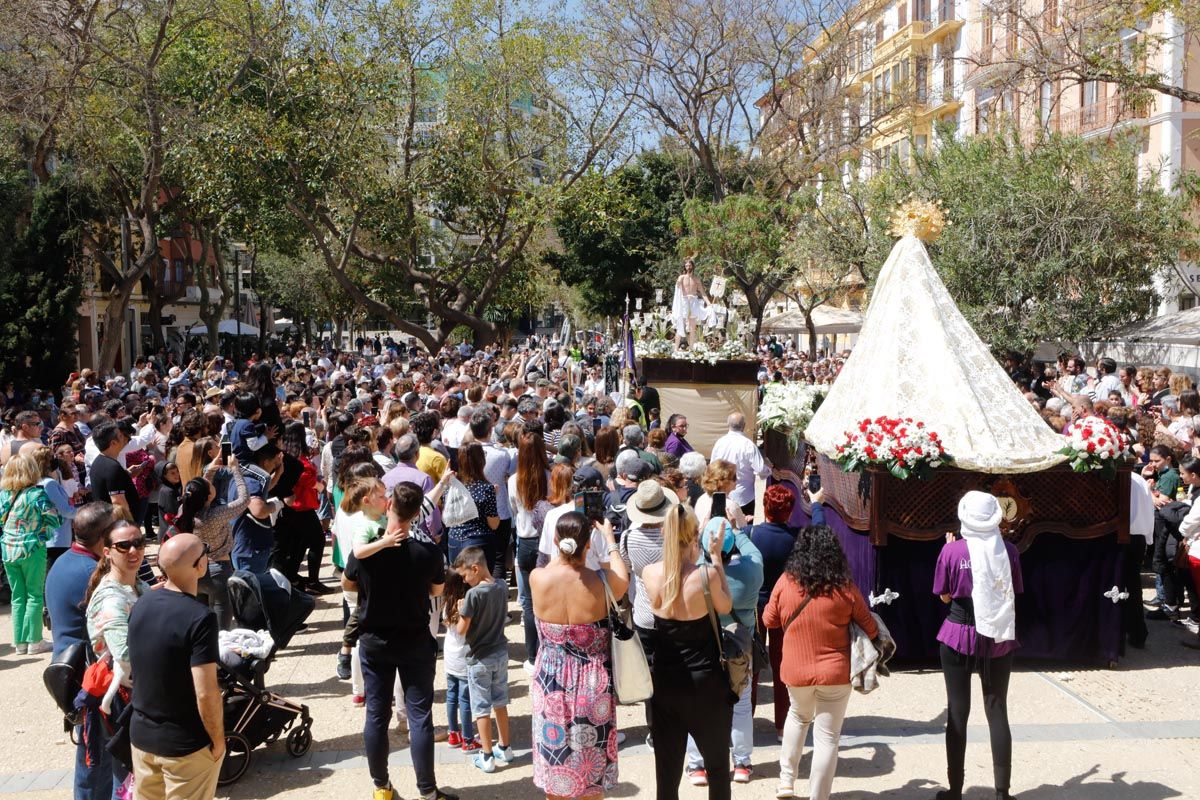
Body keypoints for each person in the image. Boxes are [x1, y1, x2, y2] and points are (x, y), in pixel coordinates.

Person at [342, 482, 457, 800]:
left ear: (389, 504)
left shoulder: (368, 549)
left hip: (375, 639)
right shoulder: (429, 553)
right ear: (417, 513)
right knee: (420, 715)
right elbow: (436, 591)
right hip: (415, 639)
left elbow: (348, 584)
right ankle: (428, 791)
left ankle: (381, 787)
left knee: (377, 714)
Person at [762, 524, 877, 800]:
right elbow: (870, 628)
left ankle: (786, 781)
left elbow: (769, 620)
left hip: (795, 670)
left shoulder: (786, 582)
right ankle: (819, 796)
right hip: (835, 672)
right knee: (828, 737)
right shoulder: (845, 588)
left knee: (797, 717)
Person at [931, 491, 1024, 800]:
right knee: (998, 710)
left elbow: (944, 595)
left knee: (957, 713)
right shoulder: (1008, 551)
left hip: (958, 632)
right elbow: (1014, 592)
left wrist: (949, 553)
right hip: (996, 635)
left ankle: (955, 791)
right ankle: (1002, 793)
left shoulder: (952, 551)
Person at [529, 512, 629, 799]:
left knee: (555, 766)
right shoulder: (602, 582)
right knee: (589, 774)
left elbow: (553, 564)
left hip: (550, 683)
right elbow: (623, 577)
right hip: (591, 683)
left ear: (556, 541)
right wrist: (609, 540)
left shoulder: (538, 578)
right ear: (588, 545)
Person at [641, 504, 734, 800]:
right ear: (694, 536)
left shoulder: (650, 573)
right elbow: (726, 607)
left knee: (666, 775)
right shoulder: (706, 575)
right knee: (718, 768)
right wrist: (716, 557)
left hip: (665, 683)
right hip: (706, 683)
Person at [127, 533, 225, 800]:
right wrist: (218, 740)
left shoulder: (142, 603)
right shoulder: (200, 617)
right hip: (184, 744)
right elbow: (206, 692)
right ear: (200, 566)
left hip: (142, 735)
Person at [46, 502, 124, 799]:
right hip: (91, 677)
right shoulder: (94, 573)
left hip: (71, 670)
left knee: (93, 756)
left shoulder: (64, 561)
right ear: (105, 535)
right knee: (102, 760)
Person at [685, 517, 763, 786]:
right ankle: (742, 763)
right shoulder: (753, 571)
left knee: (699, 707)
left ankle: (696, 766)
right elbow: (753, 552)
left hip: (706, 646)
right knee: (740, 707)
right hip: (740, 647)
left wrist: (704, 535)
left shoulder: (698, 574)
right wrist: (736, 529)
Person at [83, 519, 149, 799]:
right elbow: (125, 656)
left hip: (135, 695)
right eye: (124, 546)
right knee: (130, 785)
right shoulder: (111, 598)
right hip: (125, 699)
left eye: (139, 543)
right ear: (108, 551)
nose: (133, 550)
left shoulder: (138, 585)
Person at [454, 545, 514, 774]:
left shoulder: (473, 595)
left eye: (464, 575)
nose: (464, 580)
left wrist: (460, 611)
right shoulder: (500, 585)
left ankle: (487, 755)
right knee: (500, 702)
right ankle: (505, 747)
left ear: (475, 568)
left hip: (479, 657)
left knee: (481, 707)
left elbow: (461, 630)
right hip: (500, 652)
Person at [173, 458, 249, 630]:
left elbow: (199, 489)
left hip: (196, 571)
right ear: (209, 496)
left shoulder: (184, 511)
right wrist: (235, 469)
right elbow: (244, 499)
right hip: (218, 570)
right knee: (222, 629)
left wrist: (212, 468)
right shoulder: (216, 514)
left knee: (203, 624)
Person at [749, 484, 800, 738]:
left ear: (764, 507)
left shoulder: (751, 534)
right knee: (782, 666)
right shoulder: (796, 536)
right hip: (785, 606)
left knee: (752, 666)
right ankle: (782, 725)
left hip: (756, 605)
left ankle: (746, 721)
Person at [2, 453, 62, 654]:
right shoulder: (36, 495)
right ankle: (35, 641)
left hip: (8, 550)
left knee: (17, 597)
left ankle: (20, 643)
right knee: (35, 595)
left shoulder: (3, 495)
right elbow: (55, 520)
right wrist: (41, 532)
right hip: (32, 548)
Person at [509, 428, 551, 669]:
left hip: (525, 543)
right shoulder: (550, 476)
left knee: (528, 603)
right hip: (545, 542)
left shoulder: (513, 481)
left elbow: (514, 512)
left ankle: (532, 656)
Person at [228, 434, 284, 574]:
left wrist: (278, 473)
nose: (274, 467)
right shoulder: (250, 481)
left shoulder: (247, 479)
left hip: (250, 547)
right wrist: (275, 505)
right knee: (251, 591)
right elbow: (258, 510)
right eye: (273, 463)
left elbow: (261, 491)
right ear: (265, 462)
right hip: (250, 550)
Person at [446, 442, 501, 568]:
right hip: (479, 541)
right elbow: (494, 524)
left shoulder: (450, 487)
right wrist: (493, 497)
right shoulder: (486, 489)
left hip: (454, 539)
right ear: (480, 460)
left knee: (458, 582)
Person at [441, 571, 479, 752]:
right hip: (464, 655)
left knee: (451, 696)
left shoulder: (446, 603)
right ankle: (468, 738)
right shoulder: (466, 604)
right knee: (465, 699)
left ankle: (453, 733)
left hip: (450, 655)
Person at [709, 413, 771, 519]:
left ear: (728, 424)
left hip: (723, 494)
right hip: (744, 496)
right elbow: (760, 469)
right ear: (744, 426)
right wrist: (769, 469)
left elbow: (712, 466)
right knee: (744, 529)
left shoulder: (719, 443)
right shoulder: (748, 445)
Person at [672, 258, 710, 346]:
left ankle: (692, 349)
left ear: (692, 266)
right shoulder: (681, 277)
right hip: (684, 302)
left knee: (692, 328)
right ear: (684, 267)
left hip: (693, 302)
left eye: (689, 265)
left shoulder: (696, 279)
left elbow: (702, 292)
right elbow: (677, 288)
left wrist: (708, 302)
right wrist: (678, 283)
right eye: (686, 266)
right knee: (680, 325)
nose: (688, 267)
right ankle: (676, 349)